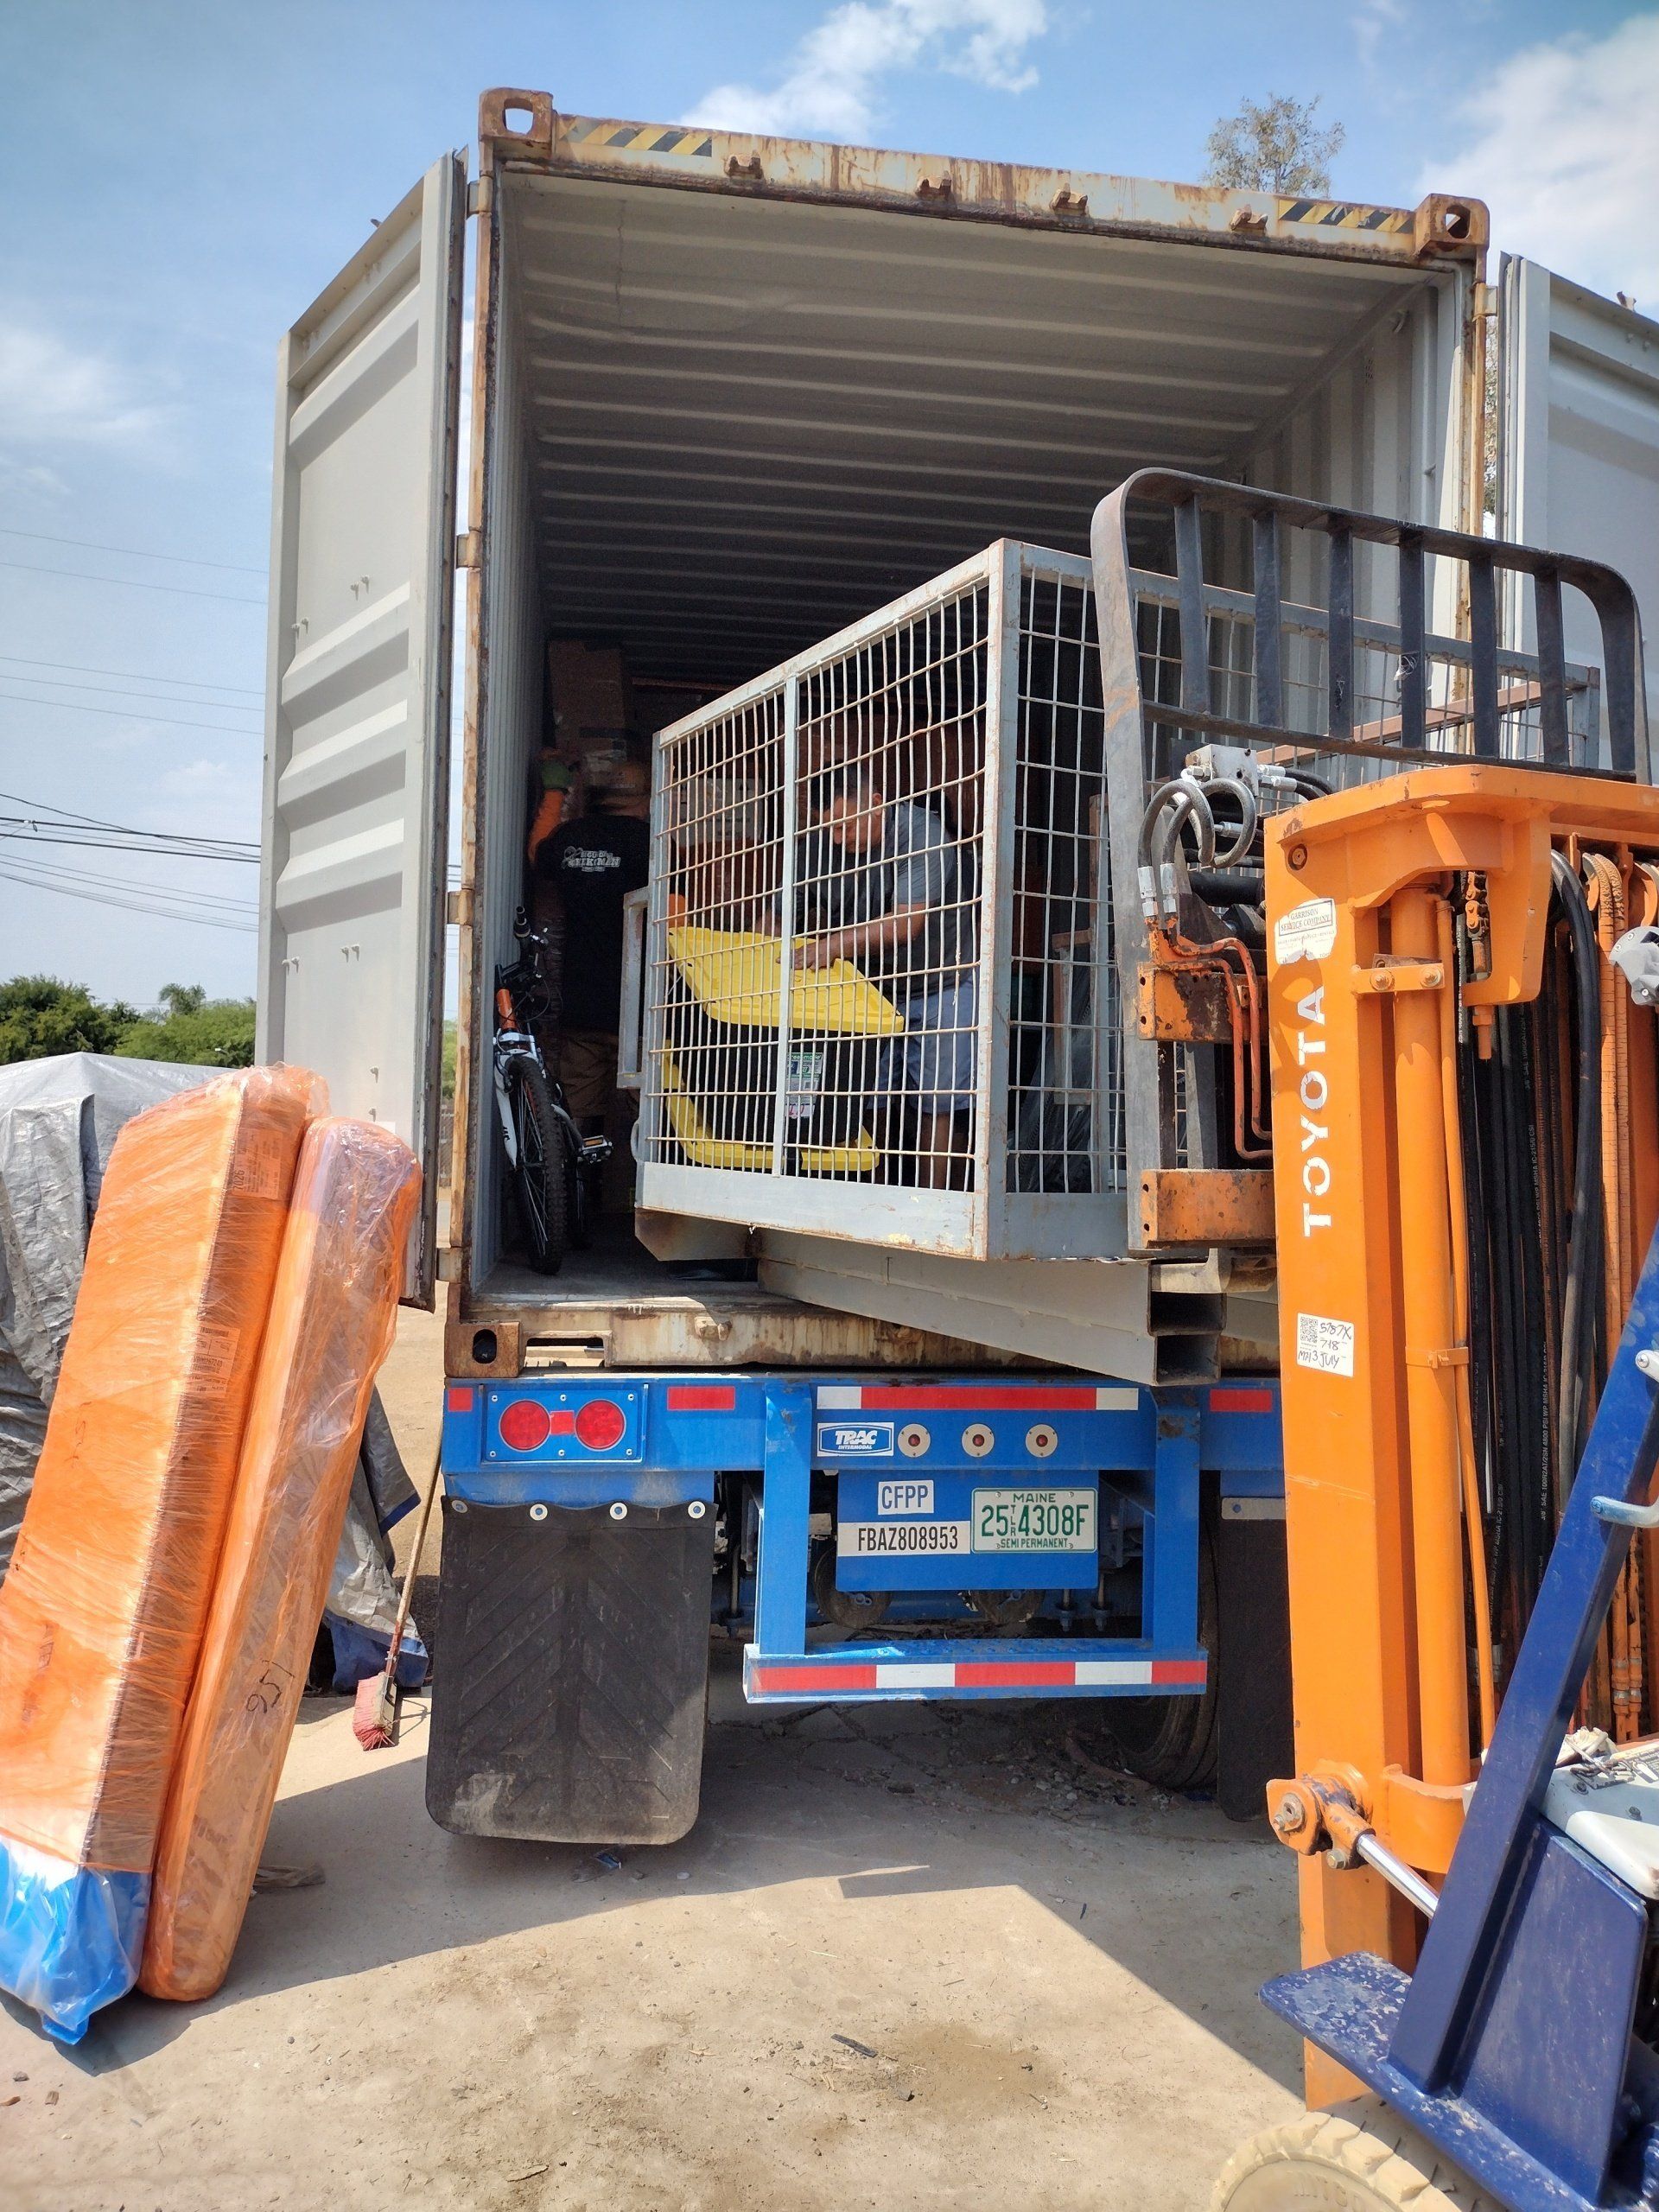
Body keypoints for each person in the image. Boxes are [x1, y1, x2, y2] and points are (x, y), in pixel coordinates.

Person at [791, 761, 976, 1188]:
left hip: (943, 981)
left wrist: (831, 946)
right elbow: (779, 912)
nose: (840, 838)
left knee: (939, 1103)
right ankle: (873, 1196)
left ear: (876, 804)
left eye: (846, 825)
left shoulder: (921, 833)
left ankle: (933, 1205)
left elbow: (905, 923)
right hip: (869, 988)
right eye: (830, 829)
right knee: (862, 1100)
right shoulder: (823, 846)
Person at [533, 759, 650, 1139]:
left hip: (580, 1000)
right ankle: (639, 1188)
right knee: (646, 1110)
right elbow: (677, 917)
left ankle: (581, 1191)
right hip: (638, 1009)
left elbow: (537, 853)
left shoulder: (570, 838)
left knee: (579, 1113)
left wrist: (553, 792)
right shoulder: (653, 843)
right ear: (646, 800)